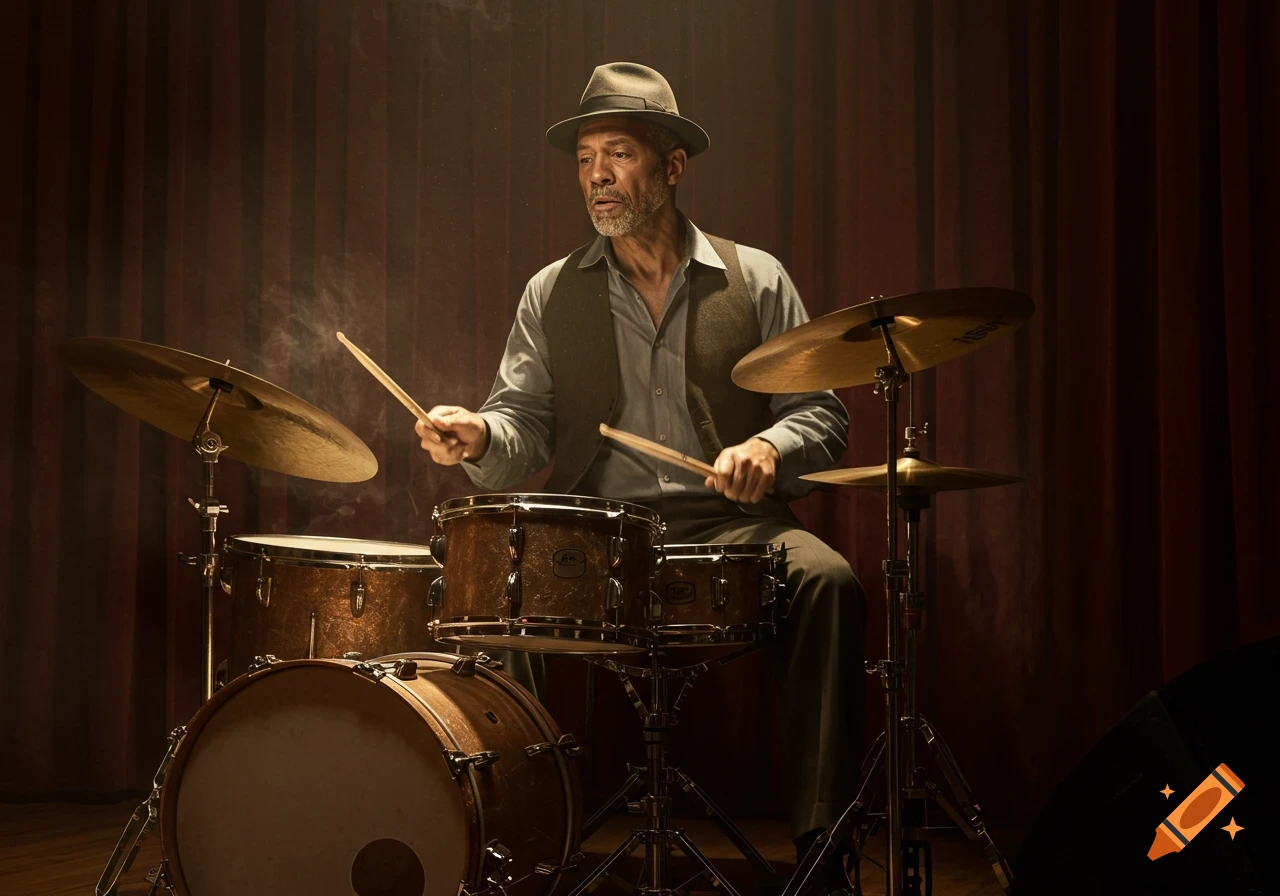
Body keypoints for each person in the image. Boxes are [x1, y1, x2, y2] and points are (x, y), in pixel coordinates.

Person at [417, 62, 865, 872]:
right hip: (599, 535)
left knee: (828, 582)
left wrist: (770, 447)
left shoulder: (753, 276)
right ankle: (529, 842)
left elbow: (822, 415)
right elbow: (522, 421)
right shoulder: (551, 292)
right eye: (585, 158)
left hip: (735, 524)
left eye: (617, 153)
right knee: (504, 599)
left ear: (671, 165)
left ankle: (823, 844)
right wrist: (479, 435)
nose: (596, 176)